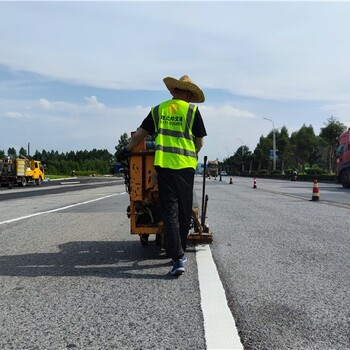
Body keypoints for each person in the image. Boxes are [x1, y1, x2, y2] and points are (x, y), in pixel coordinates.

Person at [118, 75, 207, 276]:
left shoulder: (159, 110)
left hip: (164, 167)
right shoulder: (192, 111)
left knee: (170, 212)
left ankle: (177, 258)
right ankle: (180, 253)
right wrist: (192, 153)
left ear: (174, 90)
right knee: (184, 212)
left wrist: (126, 149)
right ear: (188, 93)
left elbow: (141, 134)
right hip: (185, 167)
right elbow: (199, 141)